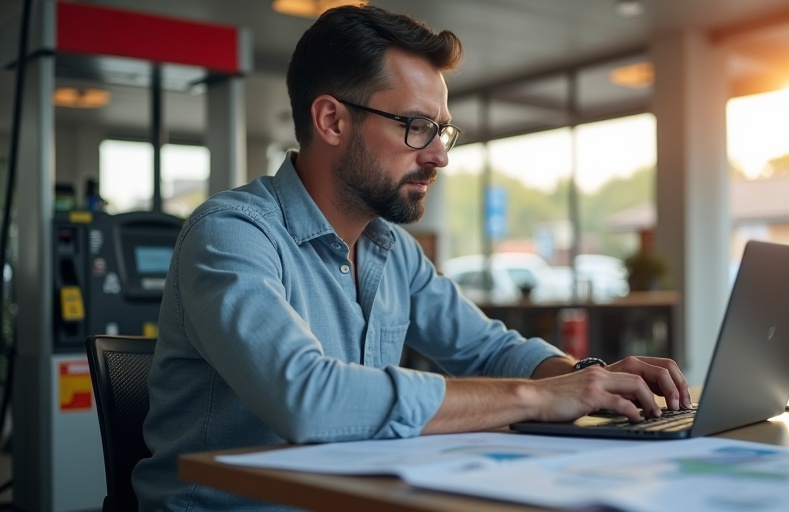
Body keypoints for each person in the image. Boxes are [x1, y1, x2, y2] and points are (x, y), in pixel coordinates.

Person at [133, 5, 691, 510]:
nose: (440, 155)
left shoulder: (391, 248)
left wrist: (585, 379)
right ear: (331, 120)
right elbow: (307, 399)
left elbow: (486, 348)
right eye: (416, 126)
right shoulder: (231, 234)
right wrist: (539, 397)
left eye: (442, 129)